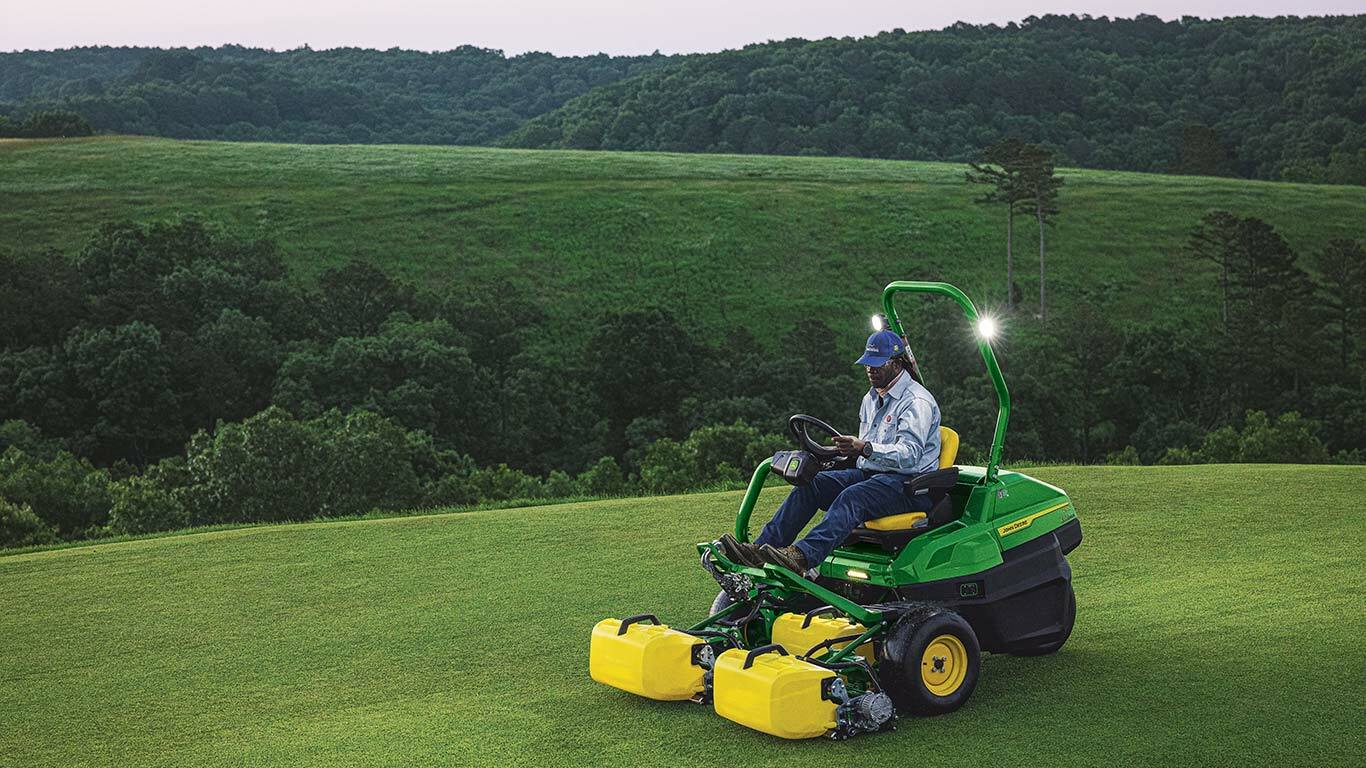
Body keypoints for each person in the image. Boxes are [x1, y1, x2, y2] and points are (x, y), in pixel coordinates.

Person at [720, 328, 941, 573]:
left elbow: (909, 455)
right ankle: (760, 550)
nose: (870, 369)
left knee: (853, 497)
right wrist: (839, 451)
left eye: (877, 364)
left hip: (909, 484)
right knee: (812, 485)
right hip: (872, 475)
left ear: (897, 363)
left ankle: (801, 557)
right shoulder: (870, 398)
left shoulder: (916, 401)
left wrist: (864, 448)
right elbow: (866, 450)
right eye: (868, 363)